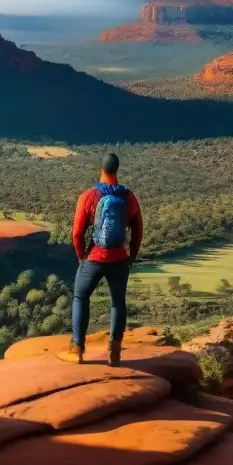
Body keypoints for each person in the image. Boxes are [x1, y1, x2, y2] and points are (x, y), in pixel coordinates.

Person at [65, 152, 143, 366]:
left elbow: (77, 234)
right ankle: (114, 353)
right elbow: (138, 230)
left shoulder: (88, 196)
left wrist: (82, 258)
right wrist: (131, 256)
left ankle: (77, 348)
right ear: (117, 170)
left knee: (80, 297)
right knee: (118, 302)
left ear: (101, 169)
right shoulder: (129, 197)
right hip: (119, 258)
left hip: (95, 256)